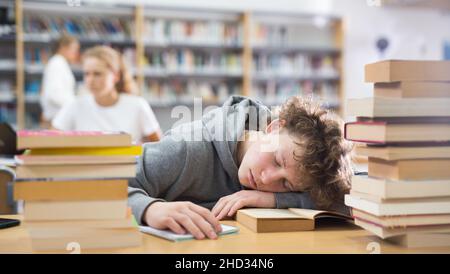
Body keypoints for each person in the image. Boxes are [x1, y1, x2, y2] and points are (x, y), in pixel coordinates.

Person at [128, 95, 354, 240]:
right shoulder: (187, 148)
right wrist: (149, 209)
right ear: (274, 128)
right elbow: (103, 184)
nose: (267, 180)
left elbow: (351, 200)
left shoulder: (292, 172)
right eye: (277, 160)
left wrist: (272, 200)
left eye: (286, 184)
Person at [52, 45, 162, 143]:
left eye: (97, 74)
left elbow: (160, 148)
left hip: (127, 165)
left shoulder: (137, 105)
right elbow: (48, 142)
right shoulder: (76, 105)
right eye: (87, 74)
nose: (90, 80)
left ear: (116, 76)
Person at [40, 35, 79, 125]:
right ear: (63, 47)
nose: (76, 53)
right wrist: (76, 104)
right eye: (74, 49)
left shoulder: (61, 63)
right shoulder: (56, 64)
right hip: (56, 117)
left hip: (59, 116)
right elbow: (54, 95)